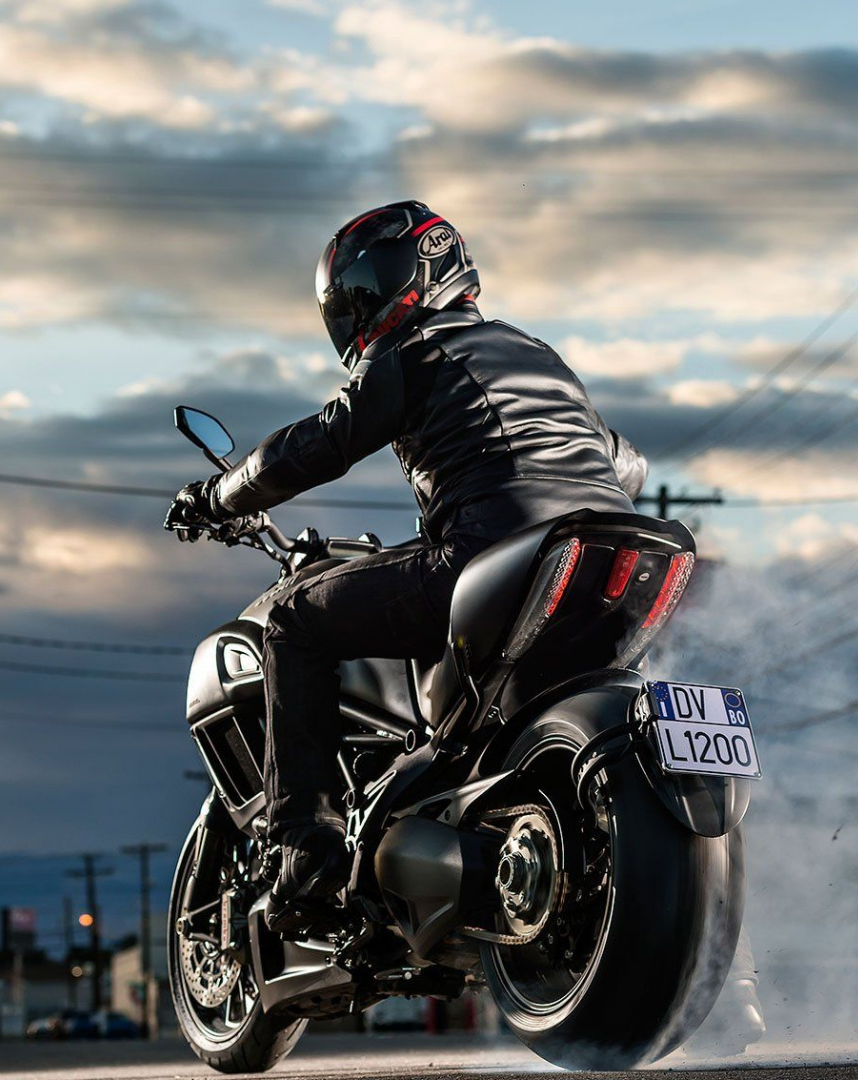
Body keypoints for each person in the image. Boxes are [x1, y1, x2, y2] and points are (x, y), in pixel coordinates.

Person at [166, 201, 647, 922]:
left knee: (296, 619)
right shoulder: (540, 356)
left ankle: (308, 852)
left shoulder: (418, 354)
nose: (360, 309)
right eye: (351, 296)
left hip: (493, 549)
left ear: (423, 272)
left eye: (371, 285)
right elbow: (625, 463)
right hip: (610, 548)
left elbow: (317, 443)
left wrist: (219, 494)